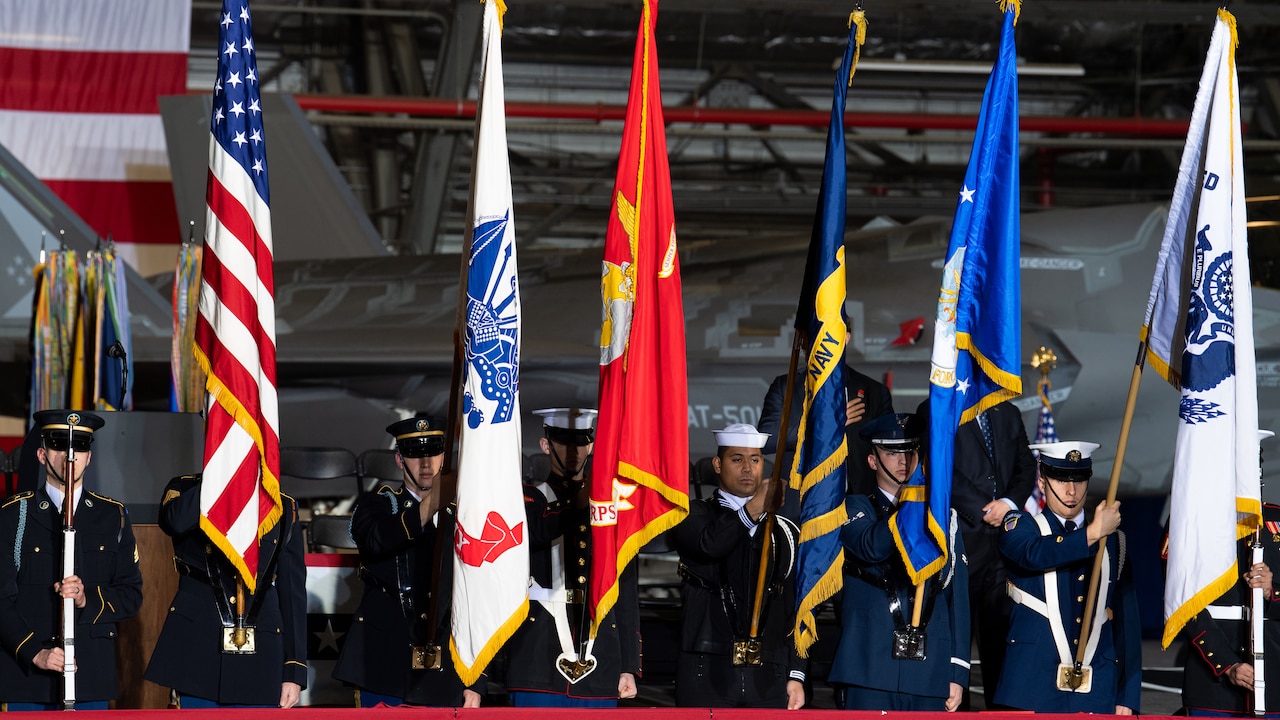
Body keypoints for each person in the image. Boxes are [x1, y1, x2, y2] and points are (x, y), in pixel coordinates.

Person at [333, 416, 481, 707]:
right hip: (384, 660)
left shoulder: (465, 515)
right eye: (415, 454)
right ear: (400, 460)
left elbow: (477, 596)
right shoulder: (377, 505)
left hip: (449, 668)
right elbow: (378, 540)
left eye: (434, 453)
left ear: (444, 457)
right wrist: (431, 504)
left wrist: (477, 680)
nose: (426, 463)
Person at [0, 410, 143, 710]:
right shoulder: (13, 515)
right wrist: (35, 653)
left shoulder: (112, 516)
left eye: (79, 446)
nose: (69, 456)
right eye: (58, 446)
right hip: (28, 679)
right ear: (41, 455)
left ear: (89, 457)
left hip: (90, 676)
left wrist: (85, 599)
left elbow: (131, 595)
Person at [830, 412, 969, 711]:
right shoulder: (853, 508)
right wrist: (913, 505)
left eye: (911, 451)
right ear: (873, 461)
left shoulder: (944, 518)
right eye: (892, 453)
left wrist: (957, 672)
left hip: (930, 671)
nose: (904, 460)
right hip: (868, 667)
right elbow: (872, 548)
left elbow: (956, 599)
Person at [503, 407, 640, 707]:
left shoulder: (613, 507)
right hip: (537, 653)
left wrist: (628, 664)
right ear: (545, 445)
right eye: (563, 441)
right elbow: (538, 531)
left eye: (581, 441)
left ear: (591, 445)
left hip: (600, 655)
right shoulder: (527, 497)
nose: (573, 450)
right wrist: (583, 501)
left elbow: (625, 589)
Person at [995, 441, 1141, 714]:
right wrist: (1092, 533)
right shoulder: (1020, 526)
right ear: (1042, 483)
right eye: (1061, 480)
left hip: (1097, 689)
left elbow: (1127, 625)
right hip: (1031, 687)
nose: (1071, 490)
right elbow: (1034, 555)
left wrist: (1128, 695)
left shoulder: (1115, 542)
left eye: (1079, 480)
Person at [669, 424, 805, 708]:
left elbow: (794, 603)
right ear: (718, 464)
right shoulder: (693, 514)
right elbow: (711, 545)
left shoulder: (784, 530)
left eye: (755, 460)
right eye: (737, 459)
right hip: (706, 669)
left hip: (770, 672)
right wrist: (754, 508)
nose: (748, 468)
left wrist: (797, 672)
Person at [144, 470, 308, 707]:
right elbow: (175, 522)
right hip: (199, 647)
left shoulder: (282, 504)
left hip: (262, 651)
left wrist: (294, 670)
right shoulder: (186, 488)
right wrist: (220, 475)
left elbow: (292, 594)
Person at [917, 398, 1036, 708]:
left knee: (1001, 637)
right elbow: (938, 465)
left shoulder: (1007, 411)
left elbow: (1026, 464)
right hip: (961, 539)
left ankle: (1001, 711)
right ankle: (958, 710)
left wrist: (1008, 504)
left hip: (1005, 544)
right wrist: (983, 510)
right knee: (956, 638)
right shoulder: (937, 405)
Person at [1178, 432, 1278, 716]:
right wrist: (1226, 664)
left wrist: (1273, 591)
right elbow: (1183, 603)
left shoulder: (1277, 520)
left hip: (1274, 679)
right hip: (1211, 683)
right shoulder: (1190, 523)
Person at [759, 332, 893, 518]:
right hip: (799, 506)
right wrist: (824, 425)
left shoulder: (874, 391)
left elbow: (890, 449)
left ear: (845, 338)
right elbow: (767, 438)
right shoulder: (786, 386)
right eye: (812, 335)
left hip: (859, 506)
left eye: (826, 334)